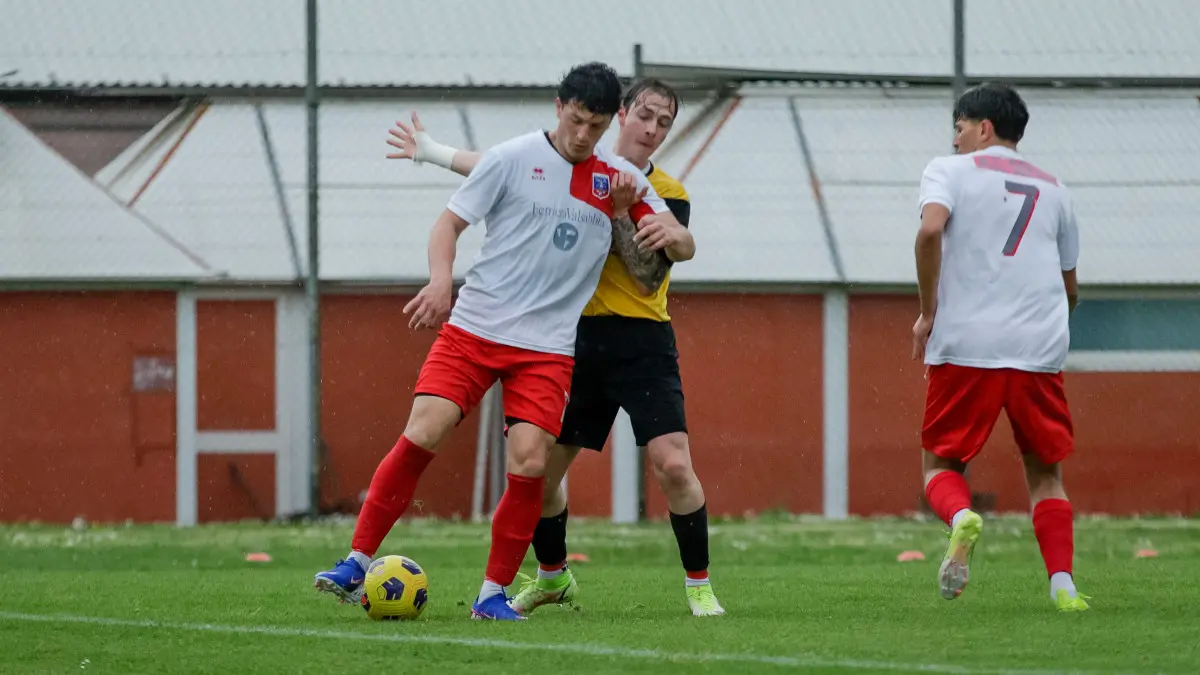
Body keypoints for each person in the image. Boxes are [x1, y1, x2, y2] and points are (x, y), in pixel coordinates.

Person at [314, 62, 679, 621]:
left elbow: (671, 254)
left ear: (610, 124)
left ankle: (491, 597)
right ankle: (356, 560)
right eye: (578, 121)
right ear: (559, 107)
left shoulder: (618, 181)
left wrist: (664, 226)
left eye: (596, 127)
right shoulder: (513, 158)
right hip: (475, 328)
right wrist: (440, 281)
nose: (584, 137)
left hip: (547, 349)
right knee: (424, 429)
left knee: (531, 463)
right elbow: (448, 224)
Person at [386, 78, 725, 617]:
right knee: (538, 472)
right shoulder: (573, 158)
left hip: (641, 341)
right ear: (620, 114)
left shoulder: (664, 192)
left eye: (665, 122)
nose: (653, 128)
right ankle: (551, 576)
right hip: (571, 337)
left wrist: (663, 231)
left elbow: (647, 275)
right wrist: (433, 152)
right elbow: (506, 166)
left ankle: (699, 586)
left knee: (674, 464)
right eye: (645, 114)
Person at [912, 82, 1088, 612]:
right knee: (1045, 473)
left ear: (983, 127)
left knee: (939, 467)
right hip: (1039, 349)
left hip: (969, 344)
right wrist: (1046, 328)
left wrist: (926, 313)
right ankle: (1063, 587)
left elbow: (929, 233)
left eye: (960, 128)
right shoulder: (1056, 187)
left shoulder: (948, 170)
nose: (956, 139)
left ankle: (961, 518)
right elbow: (1071, 287)